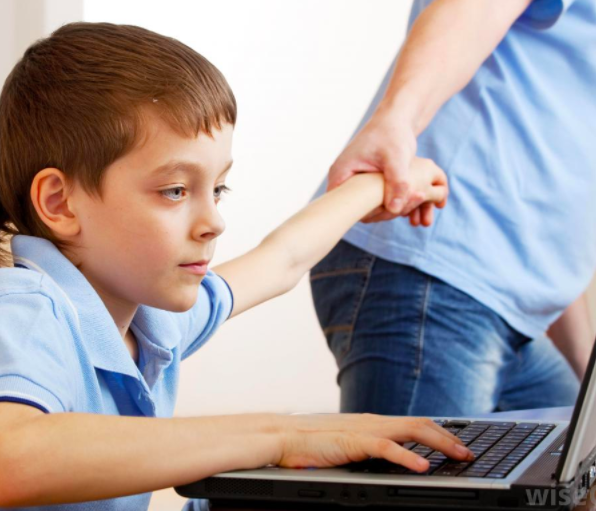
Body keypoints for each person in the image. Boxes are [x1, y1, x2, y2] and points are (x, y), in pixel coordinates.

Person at [0, 22, 473, 510]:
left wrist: (384, 184)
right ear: (60, 203)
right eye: (175, 191)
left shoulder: (152, 320)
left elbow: (282, 259)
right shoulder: (26, 309)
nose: (213, 222)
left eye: (218, 189)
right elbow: (10, 457)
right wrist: (282, 435)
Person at [310, 0, 596, 416]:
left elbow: (552, 199)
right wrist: (396, 119)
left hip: (502, 305)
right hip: (434, 268)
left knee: (592, 462)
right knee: (425, 481)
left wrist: (588, 372)